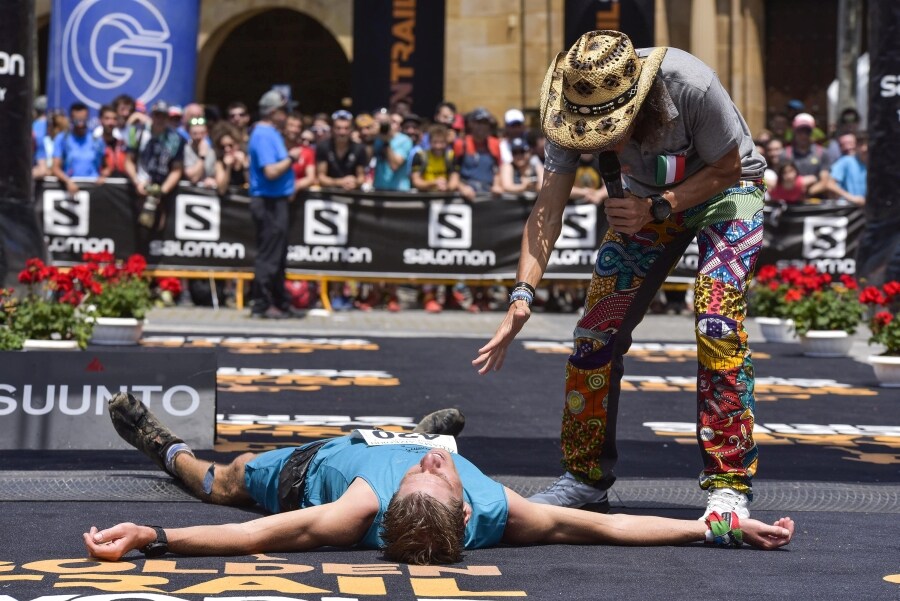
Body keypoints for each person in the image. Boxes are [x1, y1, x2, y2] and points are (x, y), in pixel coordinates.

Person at [474, 30, 768, 520]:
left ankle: (729, 481)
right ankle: (584, 477)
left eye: (609, 130)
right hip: (643, 203)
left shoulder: (691, 84)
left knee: (716, 319)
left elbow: (729, 168)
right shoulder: (570, 104)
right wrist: (521, 294)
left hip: (726, 193)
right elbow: (548, 209)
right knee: (595, 333)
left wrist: (661, 206)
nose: (597, 143)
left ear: (638, 105)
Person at [83, 392, 794, 564]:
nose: (433, 467)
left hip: (317, 468)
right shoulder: (502, 508)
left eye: (425, 471)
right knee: (433, 435)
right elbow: (610, 525)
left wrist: (156, 533)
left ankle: (162, 443)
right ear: (463, 505)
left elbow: (264, 531)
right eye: (438, 470)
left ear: (391, 504)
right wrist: (715, 526)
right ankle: (427, 424)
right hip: (390, 436)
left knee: (223, 480)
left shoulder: (352, 510)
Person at [246, 90, 297, 320]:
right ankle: (262, 303)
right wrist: (292, 158)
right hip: (268, 202)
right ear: (273, 112)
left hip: (276, 201)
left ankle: (280, 301)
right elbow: (271, 171)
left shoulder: (271, 133)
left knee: (278, 254)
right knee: (269, 255)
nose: (287, 115)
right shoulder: (263, 135)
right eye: (284, 111)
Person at [124, 100, 185, 232]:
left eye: (163, 116)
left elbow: (177, 169)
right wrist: (136, 182)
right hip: (140, 186)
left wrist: (162, 190)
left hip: (163, 189)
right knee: (136, 227)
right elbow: (129, 161)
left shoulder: (176, 139)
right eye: (157, 115)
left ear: (168, 118)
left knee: (160, 228)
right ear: (151, 116)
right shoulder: (137, 132)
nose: (160, 119)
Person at [51, 101, 106, 196]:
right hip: (71, 188)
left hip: (94, 190)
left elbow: (107, 165)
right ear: (71, 119)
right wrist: (68, 181)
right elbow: (55, 168)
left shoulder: (97, 140)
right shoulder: (62, 138)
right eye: (77, 121)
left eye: (83, 120)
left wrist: (103, 176)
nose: (80, 124)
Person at [826, 132, 867, 206]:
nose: (864, 148)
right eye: (861, 144)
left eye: (866, 144)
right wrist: (852, 198)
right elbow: (830, 184)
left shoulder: (875, 164)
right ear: (856, 146)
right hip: (848, 209)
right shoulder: (846, 161)